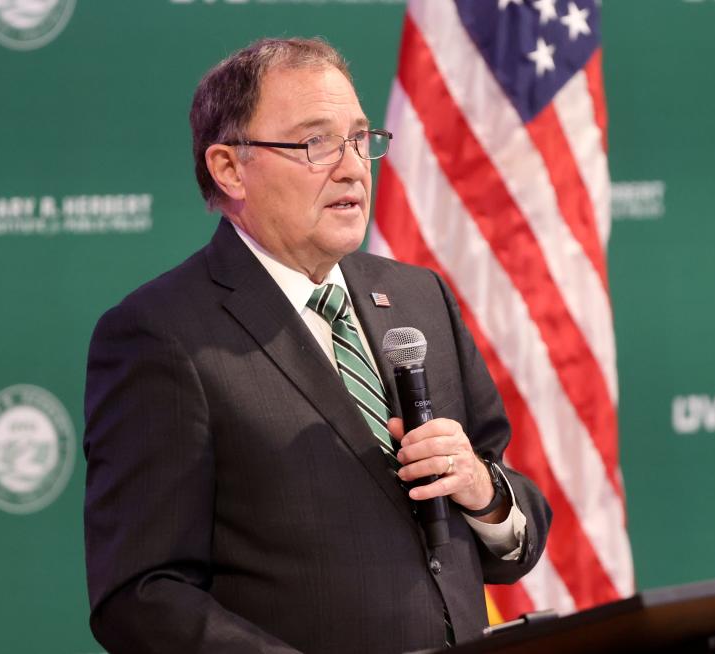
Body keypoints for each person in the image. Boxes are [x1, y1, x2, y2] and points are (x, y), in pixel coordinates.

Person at [83, 37, 551, 654]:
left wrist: (482, 491)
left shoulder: (419, 300)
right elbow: (142, 595)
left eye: (360, 138)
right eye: (316, 143)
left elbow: (515, 527)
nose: (354, 166)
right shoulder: (161, 334)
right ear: (229, 168)